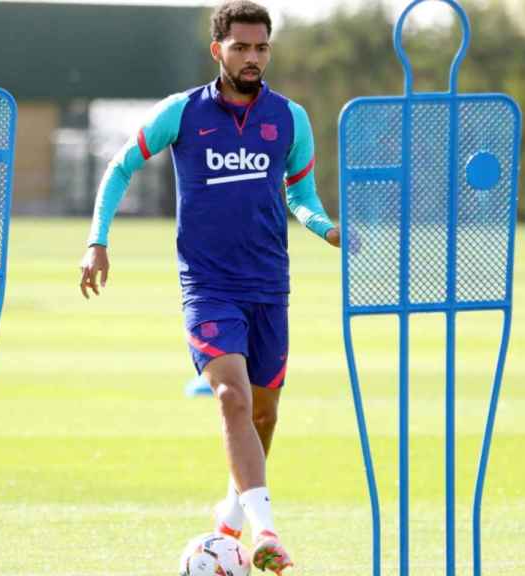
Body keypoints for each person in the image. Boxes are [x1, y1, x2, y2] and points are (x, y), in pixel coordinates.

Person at [79, 1, 340, 572]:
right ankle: (267, 534)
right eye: (241, 47)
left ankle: (228, 520)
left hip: (270, 285)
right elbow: (121, 166)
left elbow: (301, 195)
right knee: (231, 397)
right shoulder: (182, 113)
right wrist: (97, 240)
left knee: (264, 414)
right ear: (217, 49)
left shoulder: (290, 119)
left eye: (262, 48)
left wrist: (325, 228)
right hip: (208, 285)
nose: (252, 58)